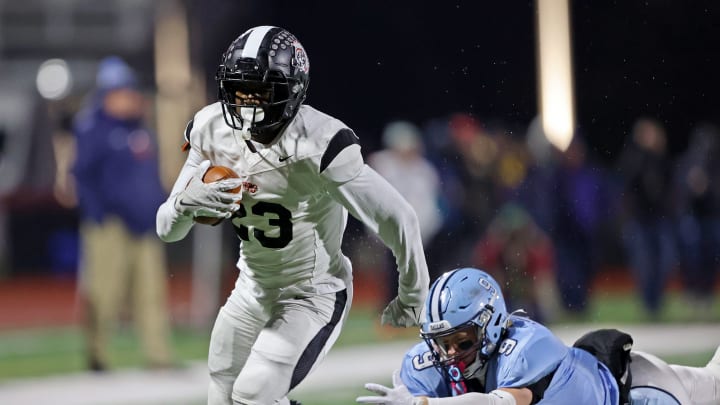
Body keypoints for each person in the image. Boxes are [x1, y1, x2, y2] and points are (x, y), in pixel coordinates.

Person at [155, 26, 429, 405]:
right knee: (221, 394)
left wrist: (413, 293)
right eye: (239, 90)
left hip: (312, 293)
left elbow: (398, 217)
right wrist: (185, 204)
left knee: (253, 393)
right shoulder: (211, 128)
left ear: (292, 90)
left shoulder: (319, 144)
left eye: (261, 92)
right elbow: (167, 229)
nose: (248, 105)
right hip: (250, 287)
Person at [356, 267, 720, 405]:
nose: (450, 354)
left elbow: (497, 404)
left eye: (462, 341)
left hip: (637, 395)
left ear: (493, 325)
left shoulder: (527, 346)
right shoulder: (425, 367)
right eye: (441, 343)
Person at [73, 56, 173, 371]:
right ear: (107, 95)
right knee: (104, 294)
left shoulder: (141, 130)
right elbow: (82, 176)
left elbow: (149, 177)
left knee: (151, 292)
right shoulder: (93, 129)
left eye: (129, 90)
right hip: (110, 226)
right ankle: (97, 354)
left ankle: (158, 355)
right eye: (121, 91)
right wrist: (98, 215)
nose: (128, 97)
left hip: (143, 224)